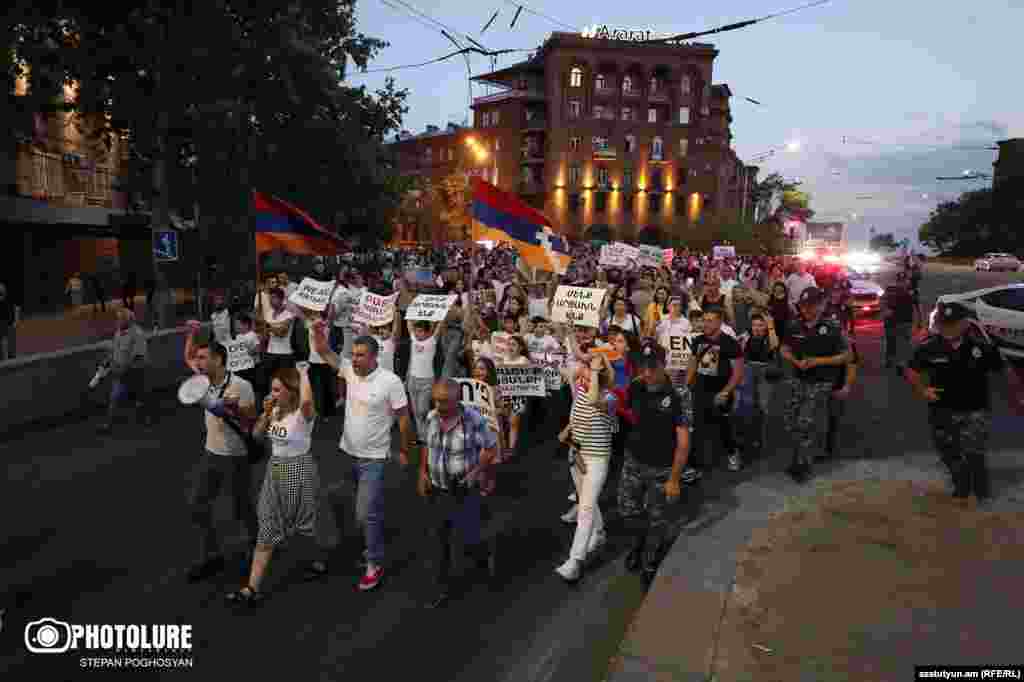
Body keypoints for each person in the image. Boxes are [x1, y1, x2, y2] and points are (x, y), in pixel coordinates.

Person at [310, 322, 413, 591]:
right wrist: (317, 331)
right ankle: (367, 547)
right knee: (354, 507)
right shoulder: (349, 371)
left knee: (365, 512)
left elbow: (403, 419)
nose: (354, 359)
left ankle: (374, 564)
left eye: (359, 355)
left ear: (373, 356)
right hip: (347, 455)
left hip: (374, 460)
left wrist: (404, 449)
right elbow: (323, 351)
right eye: (353, 354)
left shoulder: (390, 382)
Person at [906, 302, 1022, 503]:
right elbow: (911, 370)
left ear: (964, 324)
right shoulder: (928, 347)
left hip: (975, 410)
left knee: (974, 453)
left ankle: (981, 491)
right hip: (941, 410)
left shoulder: (982, 348)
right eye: (944, 324)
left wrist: (1018, 394)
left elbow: (1005, 370)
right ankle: (961, 485)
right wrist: (922, 389)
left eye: (953, 324)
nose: (948, 329)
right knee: (947, 452)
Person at [226, 364, 320, 604]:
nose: (272, 394)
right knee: (267, 524)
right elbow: (256, 436)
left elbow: (308, 403)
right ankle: (251, 588)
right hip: (275, 470)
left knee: (301, 525)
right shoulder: (274, 410)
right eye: (272, 390)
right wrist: (266, 414)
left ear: (292, 390)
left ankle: (312, 559)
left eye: (277, 390)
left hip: (299, 470)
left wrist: (304, 373)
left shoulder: (303, 414)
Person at [182, 334, 259, 582]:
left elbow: (251, 421)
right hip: (211, 453)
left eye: (204, 358)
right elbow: (187, 359)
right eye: (198, 358)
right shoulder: (202, 382)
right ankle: (212, 555)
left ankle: (258, 547)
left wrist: (234, 409)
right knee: (198, 504)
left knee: (241, 507)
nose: (199, 362)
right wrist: (190, 335)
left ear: (218, 359)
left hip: (236, 456)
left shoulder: (241, 386)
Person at [418, 379, 500, 608]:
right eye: (436, 400)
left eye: (444, 401)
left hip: (464, 490)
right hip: (438, 489)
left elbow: (491, 448)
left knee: (469, 538)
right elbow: (426, 444)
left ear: (457, 400)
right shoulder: (431, 417)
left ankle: (483, 555)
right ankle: (439, 587)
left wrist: (477, 472)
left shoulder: (474, 420)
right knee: (438, 540)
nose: (439, 405)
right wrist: (422, 472)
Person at [617, 342, 692, 586]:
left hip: (661, 468)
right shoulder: (637, 385)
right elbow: (622, 406)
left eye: (652, 367)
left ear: (663, 364)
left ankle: (651, 561)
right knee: (629, 511)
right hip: (634, 462)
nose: (646, 373)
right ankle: (638, 544)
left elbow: (683, 442)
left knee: (657, 519)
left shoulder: (679, 394)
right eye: (643, 367)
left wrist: (673, 479)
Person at [555, 352, 617, 583]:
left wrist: (592, 369)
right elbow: (579, 410)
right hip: (577, 454)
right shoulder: (582, 391)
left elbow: (593, 401)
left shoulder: (611, 398)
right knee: (585, 498)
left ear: (600, 373)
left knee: (586, 508)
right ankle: (598, 534)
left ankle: (575, 560)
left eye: (590, 367)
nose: (584, 367)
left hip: (597, 459)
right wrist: (568, 429)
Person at [779, 287, 852, 482]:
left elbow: (847, 356)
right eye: (804, 305)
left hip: (820, 383)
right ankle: (797, 457)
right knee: (790, 422)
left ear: (821, 305)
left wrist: (818, 361)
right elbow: (784, 349)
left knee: (806, 422)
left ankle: (803, 464)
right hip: (798, 381)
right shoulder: (793, 325)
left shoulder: (833, 327)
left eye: (811, 305)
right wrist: (795, 361)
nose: (807, 309)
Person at [687, 306, 744, 473]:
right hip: (700, 390)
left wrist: (726, 392)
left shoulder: (730, 343)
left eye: (710, 321)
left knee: (723, 426)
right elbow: (692, 365)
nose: (705, 324)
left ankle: (732, 452)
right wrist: (686, 386)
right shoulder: (697, 341)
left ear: (719, 322)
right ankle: (694, 464)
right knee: (696, 427)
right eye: (704, 320)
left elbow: (738, 372)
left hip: (721, 392)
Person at [99, 309, 153, 433]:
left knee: (138, 398)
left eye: (120, 319)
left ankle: (145, 419)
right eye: (117, 319)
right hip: (121, 372)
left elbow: (138, 356)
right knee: (115, 397)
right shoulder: (118, 332)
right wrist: (107, 361)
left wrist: (123, 368)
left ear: (128, 320)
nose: (117, 321)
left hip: (135, 372)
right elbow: (114, 350)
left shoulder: (137, 334)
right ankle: (108, 424)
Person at [880, 271, 917, 372]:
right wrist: (885, 310)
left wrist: (920, 320)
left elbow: (916, 306)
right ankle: (893, 360)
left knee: (900, 342)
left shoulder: (910, 291)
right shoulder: (892, 289)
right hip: (895, 321)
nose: (903, 282)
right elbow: (882, 300)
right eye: (901, 281)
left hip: (903, 321)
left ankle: (898, 362)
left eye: (904, 281)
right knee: (894, 341)